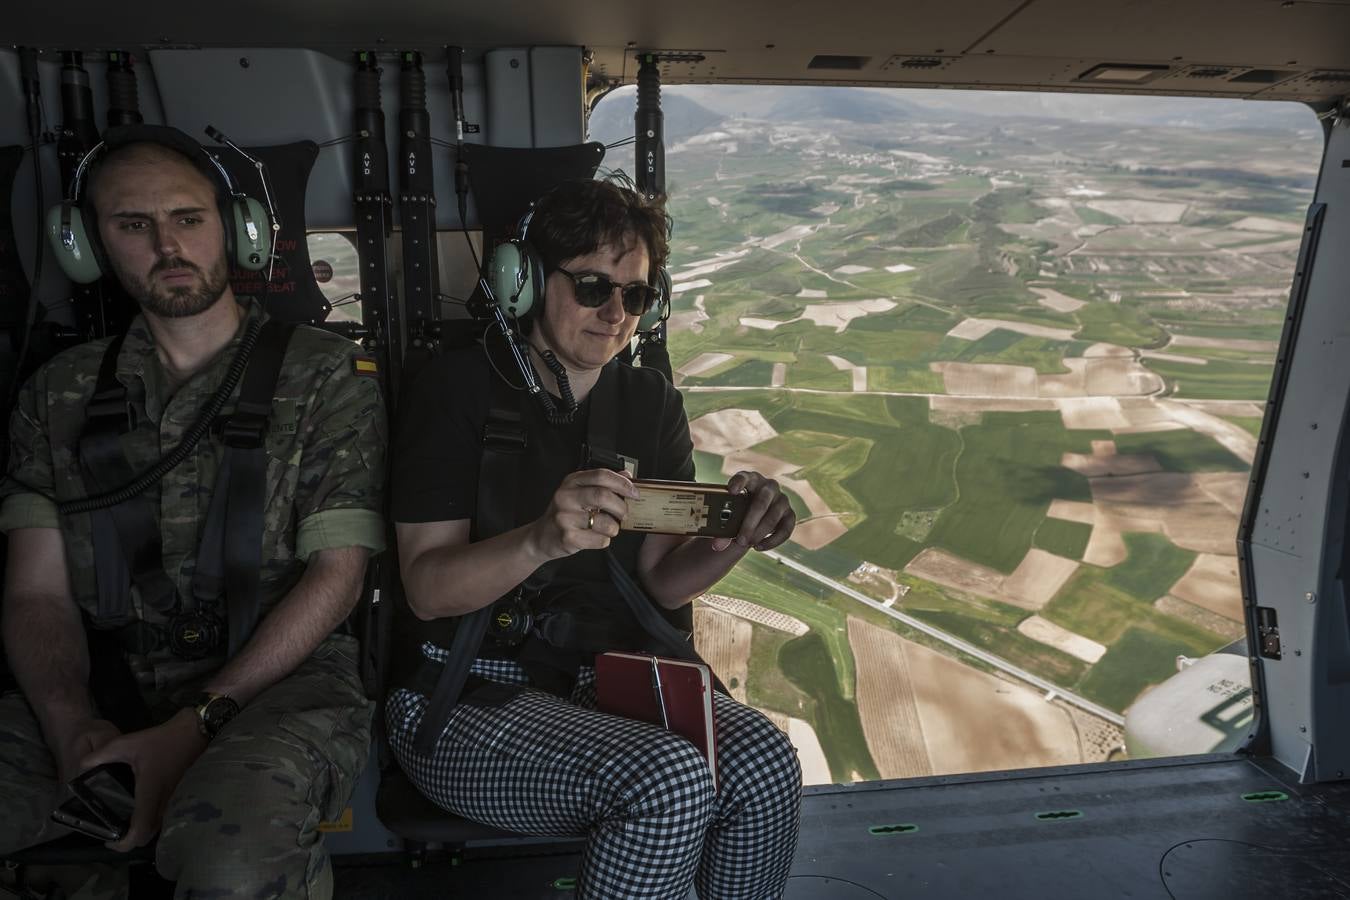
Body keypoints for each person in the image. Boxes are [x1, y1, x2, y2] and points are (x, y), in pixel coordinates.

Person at [0, 125, 386, 898]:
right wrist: (71, 724)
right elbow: (36, 592)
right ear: (89, 245)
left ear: (237, 230)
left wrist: (192, 728)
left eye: (188, 218)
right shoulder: (56, 392)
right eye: (133, 225)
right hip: (105, 679)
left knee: (232, 861)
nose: (167, 245)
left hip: (282, 683)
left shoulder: (326, 374)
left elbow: (337, 578)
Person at [388, 178, 802, 899]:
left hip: (606, 685)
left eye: (635, 296)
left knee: (768, 763)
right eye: (591, 287)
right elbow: (425, 591)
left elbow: (659, 581)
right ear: (523, 282)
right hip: (461, 695)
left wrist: (734, 535)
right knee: (666, 783)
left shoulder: (649, 403)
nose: (615, 314)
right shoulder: (455, 390)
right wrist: (541, 540)